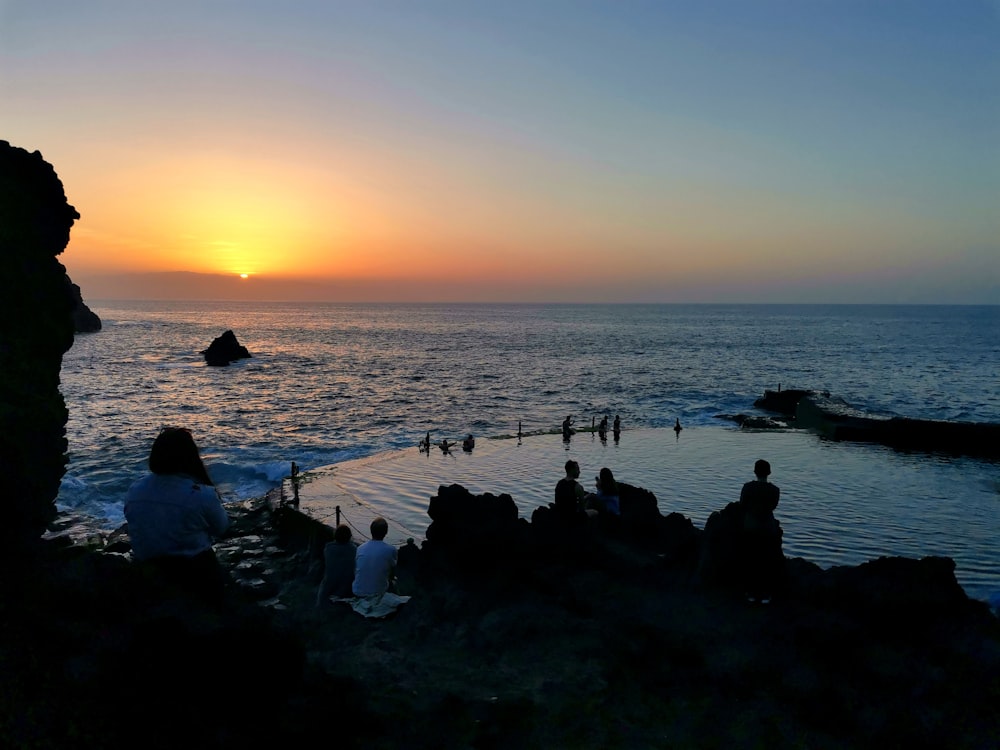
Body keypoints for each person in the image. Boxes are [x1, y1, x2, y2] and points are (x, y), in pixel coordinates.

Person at [124, 427, 231, 600]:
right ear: (190, 458)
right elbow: (222, 528)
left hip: (146, 568)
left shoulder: (135, 490)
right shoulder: (201, 494)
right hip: (193, 572)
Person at [739, 459, 782, 603]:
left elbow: (742, 504)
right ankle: (766, 593)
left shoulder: (747, 488)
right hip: (768, 528)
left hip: (750, 526)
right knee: (766, 561)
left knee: (751, 560)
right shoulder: (775, 490)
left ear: (755, 472)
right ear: (769, 472)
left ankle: (750, 592)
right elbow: (773, 506)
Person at [351, 517, 410, 618]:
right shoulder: (391, 550)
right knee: (393, 582)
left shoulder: (360, 548)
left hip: (357, 591)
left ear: (371, 531)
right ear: (386, 532)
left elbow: (356, 570)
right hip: (377, 592)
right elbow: (392, 573)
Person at [315, 523, 357, 606]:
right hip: (347, 587)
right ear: (349, 537)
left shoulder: (328, 549)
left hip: (327, 587)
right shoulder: (354, 550)